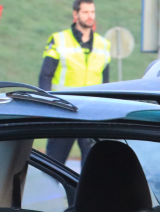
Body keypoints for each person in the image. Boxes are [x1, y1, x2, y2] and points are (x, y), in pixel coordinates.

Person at [39, 0, 111, 166]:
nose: (90, 16)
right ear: (75, 14)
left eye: (92, 12)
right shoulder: (58, 40)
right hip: (63, 111)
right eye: (85, 12)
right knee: (53, 165)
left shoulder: (104, 44)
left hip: (92, 113)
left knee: (92, 168)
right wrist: (47, 106)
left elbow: (106, 82)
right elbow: (45, 76)